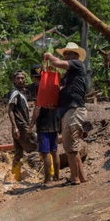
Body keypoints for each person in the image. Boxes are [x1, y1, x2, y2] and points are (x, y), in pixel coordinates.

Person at [43, 42, 90, 186]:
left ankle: (74, 178)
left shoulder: (77, 64)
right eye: (65, 54)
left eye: (68, 54)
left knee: (70, 147)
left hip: (74, 110)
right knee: (72, 147)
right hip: (69, 110)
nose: (66, 56)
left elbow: (58, 63)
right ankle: (81, 177)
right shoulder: (69, 76)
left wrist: (49, 56)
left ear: (75, 55)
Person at [7, 70, 36, 182]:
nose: (20, 80)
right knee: (38, 145)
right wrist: (15, 127)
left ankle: (14, 177)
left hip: (19, 126)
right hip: (21, 126)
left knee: (18, 152)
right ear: (14, 80)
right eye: (18, 78)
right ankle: (49, 173)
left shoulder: (22, 93)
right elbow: (10, 110)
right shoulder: (15, 93)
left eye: (22, 78)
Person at [30, 100, 61, 185]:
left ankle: (47, 179)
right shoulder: (54, 94)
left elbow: (37, 109)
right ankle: (56, 176)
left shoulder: (41, 95)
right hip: (54, 126)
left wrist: (31, 125)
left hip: (43, 127)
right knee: (54, 152)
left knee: (46, 153)